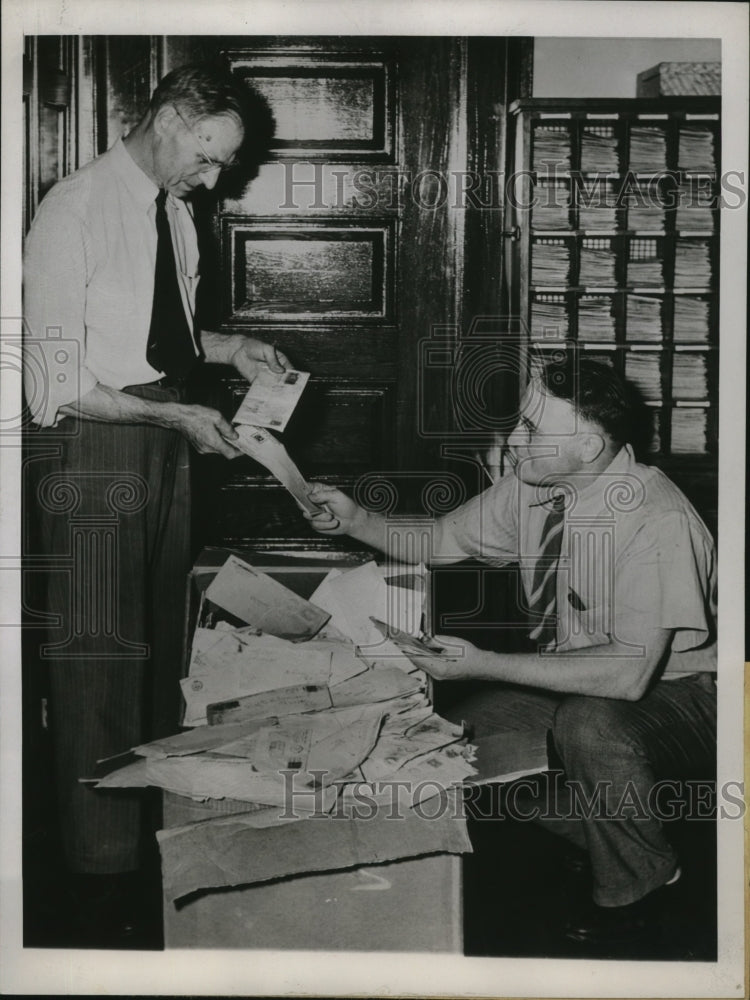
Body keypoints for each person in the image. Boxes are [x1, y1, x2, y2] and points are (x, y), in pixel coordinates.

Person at [306, 357, 717, 948]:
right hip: (589, 678)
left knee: (591, 725)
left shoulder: (658, 520)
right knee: (457, 735)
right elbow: (443, 539)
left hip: (690, 695)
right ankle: (617, 836)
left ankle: (641, 886)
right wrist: (358, 520)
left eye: (531, 430)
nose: (512, 441)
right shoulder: (538, 486)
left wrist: (482, 663)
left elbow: (629, 677)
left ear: (586, 447)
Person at [23, 63, 289, 945]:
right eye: (210, 158)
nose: (213, 181)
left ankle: (151, 831)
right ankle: (98, 877)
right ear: (173, 117)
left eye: (222, 167)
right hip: (97, 447)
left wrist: (231, 345)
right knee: (98, 655)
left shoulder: (174, 212)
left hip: (161, 438)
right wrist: (172, 412)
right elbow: (54, 379)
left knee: (156, 650)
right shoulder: (75, 207)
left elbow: (152, 335)